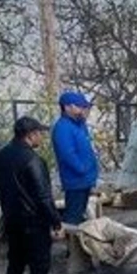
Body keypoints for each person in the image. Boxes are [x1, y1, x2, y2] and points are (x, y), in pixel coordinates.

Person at [0, 116, 68, 274]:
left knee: (15, 264)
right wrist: (56, 222)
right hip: (34, 222)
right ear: (30, 135)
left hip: (11, 219)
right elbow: (43, 196)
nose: (42, 137)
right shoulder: (33, 160)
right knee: (38, 267)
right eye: (40, 133)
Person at [50, 90, 99, 225]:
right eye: (79, 106)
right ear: (67, 107)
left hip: (85, 178)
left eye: (83, 107)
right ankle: (71, 243)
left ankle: (77, 242)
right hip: (75, 180)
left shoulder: (80, 125)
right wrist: (82, 169)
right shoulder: (62, 128)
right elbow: (67, 154)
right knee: (73, 216)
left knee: (79, 213)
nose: (82, 110)